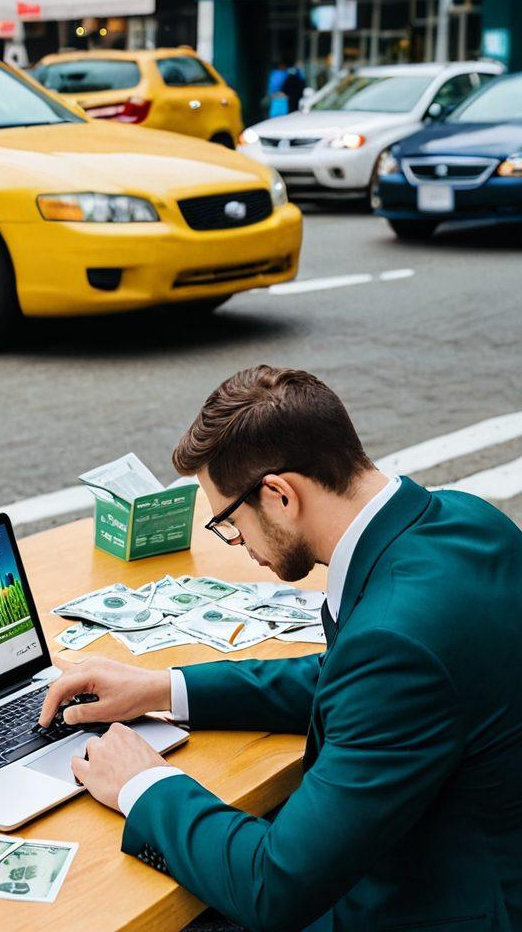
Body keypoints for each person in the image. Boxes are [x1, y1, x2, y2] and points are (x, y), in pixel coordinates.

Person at [39, 366, 522, 932]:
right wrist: (165, 688)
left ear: (279, 494)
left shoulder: (395, 645)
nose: (237, 542)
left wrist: (144, 785)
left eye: (228, 522)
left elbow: (274, 888)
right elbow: (351, 680)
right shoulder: (470, 520)